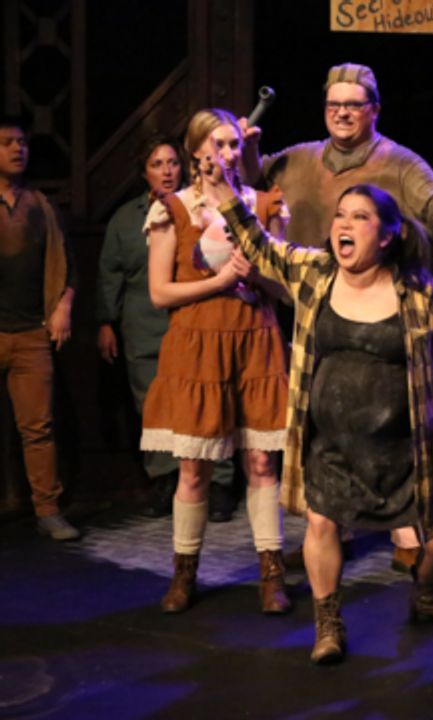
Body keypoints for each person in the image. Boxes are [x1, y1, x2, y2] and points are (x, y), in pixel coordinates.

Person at [216, 169, 433, 664]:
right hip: (331, 445)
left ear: (386, 236)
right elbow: (260, 245)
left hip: (407, 450)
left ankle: (425, 595)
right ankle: (327, 620)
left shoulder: (416, 293)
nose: (344, 224)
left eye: (359, 217)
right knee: (321, 525)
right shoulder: (316, 272)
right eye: (341, 214)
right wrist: (227, 194)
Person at [142, 109, 291, 615]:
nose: (229, 154)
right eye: (219, 145)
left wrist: (256, 279)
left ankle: (271, 572)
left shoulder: (264, 206)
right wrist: (221, 281)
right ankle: (184, 572)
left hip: (255, 340)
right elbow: (160, 293)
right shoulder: (172, 209)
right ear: (197, 152)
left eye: (235, 144)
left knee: (261, 461)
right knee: (193, 468)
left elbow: (285, 284)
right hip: (198, 344)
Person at [96, 136, 238, 520]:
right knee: (154, 406)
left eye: (172, 162)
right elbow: (111, 274)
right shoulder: (127, 219)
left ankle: (220, 483)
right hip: (145, 326)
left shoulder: (200, 209)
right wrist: (106, 322)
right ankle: (164, 479)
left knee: (209, 401)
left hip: (196, 321)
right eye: (157, 164)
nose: (166, 171)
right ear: (144, 171)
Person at [243, 62, 433, 285]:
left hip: (375, 300)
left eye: (353, 105)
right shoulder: (299, 157)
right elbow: (252, 181)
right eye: (333, 105)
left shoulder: (400, 162)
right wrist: (248, 147)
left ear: (375, 110)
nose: (342, 113)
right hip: (304, 300)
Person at [0, 115, 79, 541]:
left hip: (31, 332)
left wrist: (63, 306)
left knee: (38, 427)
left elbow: (67, 265)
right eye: (8, 142)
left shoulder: (40, 205)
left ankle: (48, 509)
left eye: (22, 142)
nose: (18, 149)